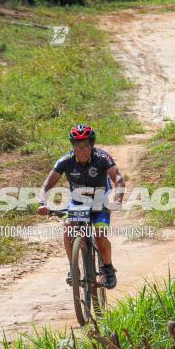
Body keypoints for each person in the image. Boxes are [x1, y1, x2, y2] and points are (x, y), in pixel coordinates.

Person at [37, 124, 125, 289]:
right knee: (68, 228)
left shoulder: (102, 158)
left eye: (85, 146)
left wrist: (118, 200)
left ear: (92, 145)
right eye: (77, 146)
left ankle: (108, 269)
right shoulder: (65, 161)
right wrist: (42, 203)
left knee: (100, 235)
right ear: (73, 147)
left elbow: (118, 178)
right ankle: (73, 269)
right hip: (78, 201)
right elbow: (47, 184)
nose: (81, 150)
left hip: (101, 199)